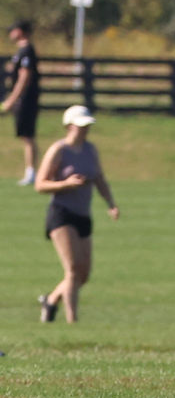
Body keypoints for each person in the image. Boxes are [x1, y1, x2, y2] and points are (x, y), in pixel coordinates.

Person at [36, 104, 119, 323]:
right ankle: (73, 322)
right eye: (80, 126)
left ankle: (51, 301)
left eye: (86, 126)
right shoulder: (59, 150)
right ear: (69, 126)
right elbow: (40, 184)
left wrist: (110, 203)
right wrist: (66, 184)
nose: (84, 130)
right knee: (72, 269)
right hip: (62, 213)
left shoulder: (90, 150)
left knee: (83, 274)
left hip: (83, 214)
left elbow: (99, 179)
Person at [3, 21, 41, 186]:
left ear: (20, 31)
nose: (10, 33)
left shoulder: (27, 50)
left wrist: (12, 99)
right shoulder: (21, 51)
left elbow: (24, 76)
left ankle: (31, 172)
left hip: (26, 99)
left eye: (12, 30)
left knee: (28, 135)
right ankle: (30, 171)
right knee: (25, 136)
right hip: (22, 99)